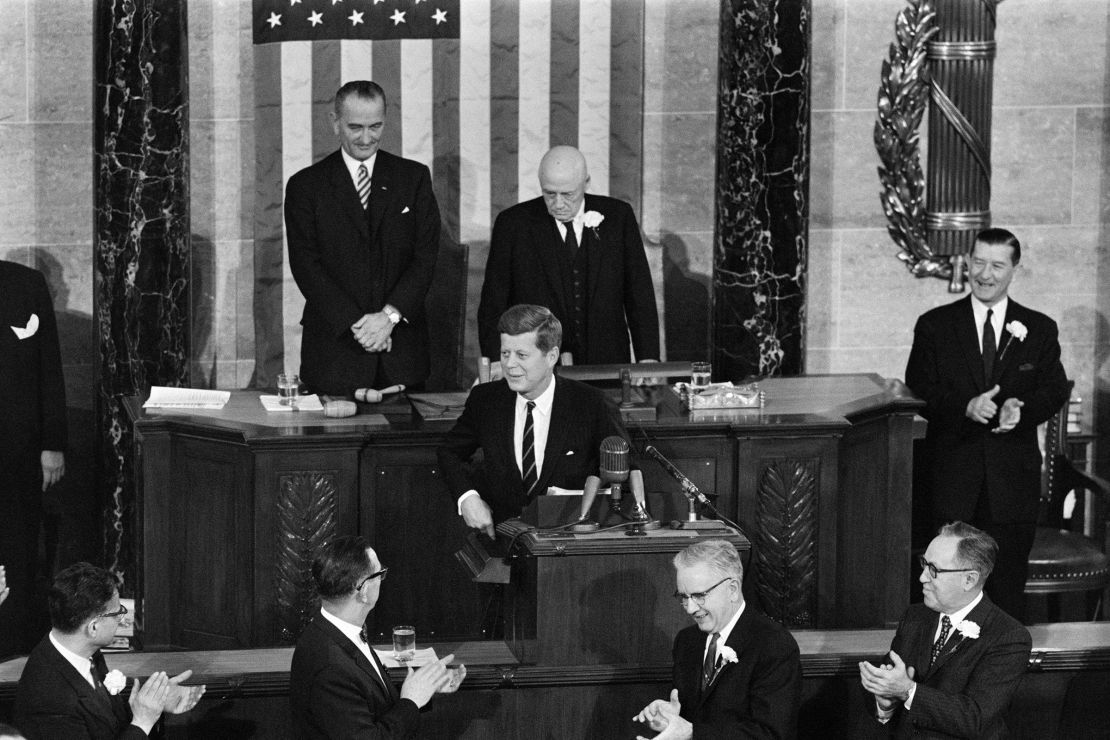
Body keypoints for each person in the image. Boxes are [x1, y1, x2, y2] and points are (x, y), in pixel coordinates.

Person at [904, 227, 1069, 622]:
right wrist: (965, 406)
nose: (985, 273)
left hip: (1012, 485)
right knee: (942, 586)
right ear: (967, 262)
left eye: (997, 265)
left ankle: (1004, 671)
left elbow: (1055, 388)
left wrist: (1021, 410)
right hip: (951, 481)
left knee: (1007, 587)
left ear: (1015, 269)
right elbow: (919, 388)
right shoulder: (935, 325)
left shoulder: (1039, 328)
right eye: (978, 262)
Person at [285, 81, 440, 396]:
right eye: (355, 127)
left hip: (402, 355)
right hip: (335, 354)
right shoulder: (306, 186)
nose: (367, 138)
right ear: (335, 123)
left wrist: (388, 317)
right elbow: (306, 266)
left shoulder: (414, 178)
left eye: (375, 126)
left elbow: (425, 258)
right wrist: (361, 327)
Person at [438, 304, 645, 536]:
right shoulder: (485, 401)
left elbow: (627, 472)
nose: (509, 364)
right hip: (502, 544)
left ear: (551, 356)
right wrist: (468, 498)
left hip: (569, 546)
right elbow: (449, 452)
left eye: (522, 355)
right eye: (505, 353)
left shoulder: (592, 404)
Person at [477, 145, 659, 369]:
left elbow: (639, 293)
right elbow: (493, 301)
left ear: (587, 182)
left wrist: (648, 357)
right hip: (538, 365)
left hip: (607, 361)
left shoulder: (618, 217)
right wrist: (498, 358)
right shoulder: (513, 224)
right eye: (549, 194)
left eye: (567, 194)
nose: (558, 203)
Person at [858, 522, 1031, 738]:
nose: (922, 577)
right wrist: (885, 703)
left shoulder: (1008, 637)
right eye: (924, 564)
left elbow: (974, 718)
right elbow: (893, 684)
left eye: (934, 570)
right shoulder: (915, 617)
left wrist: (908, 691)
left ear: (969, 579)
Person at [290, 535, 463, 739]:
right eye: (379, 574)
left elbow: (366, 701)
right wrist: (411, 701)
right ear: (363, 591)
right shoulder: (331, 668)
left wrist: (424, 687)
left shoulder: (335, 631)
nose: (382, 580)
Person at [14, 562, 205, 739]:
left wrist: (155, 701)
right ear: (93, 627)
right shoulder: (50, 702)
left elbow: (107, 720)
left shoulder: (83, 652)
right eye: (117, 612)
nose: (122, 618)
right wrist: (142, 721)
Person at [633, 539, 802, 740]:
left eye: (699, 595)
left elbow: (770, 734)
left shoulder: (774, 646)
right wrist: (671, 718)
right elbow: (691, 718)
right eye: (684, 597)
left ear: (732, 589)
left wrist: (692, 732)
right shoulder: (687, 642)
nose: (690, 608)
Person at [0, 260, 67, 658]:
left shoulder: (25, 283)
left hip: (19, 452)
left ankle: (14, 645)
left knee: (20, 545)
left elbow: (49, 367)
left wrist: (53, 443)